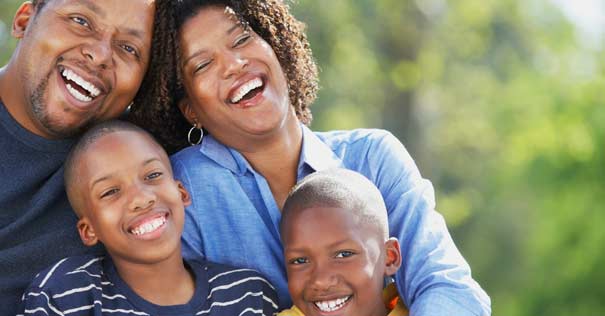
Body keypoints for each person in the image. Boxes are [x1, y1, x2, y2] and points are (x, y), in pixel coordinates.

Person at [130, 0, 491, 314]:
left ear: (276, 48)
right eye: (203, 65)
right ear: (190, 109)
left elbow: (448, 287)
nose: (234, 64)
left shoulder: (372, 158)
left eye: (241, 39)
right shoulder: (180, 191)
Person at [0, 0, 166, 313]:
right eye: (80, 20)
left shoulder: (144, 162)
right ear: (24, 21)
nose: (101, 55)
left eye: (129, 48)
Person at [20, 120, 279, 315]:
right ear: (89, 231)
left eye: (153, 175)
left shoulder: (248, 295)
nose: (141, 199)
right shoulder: (65, 295)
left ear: (182, 193)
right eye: (110, 191)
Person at [278, 168, 409, 316]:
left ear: (390, 257)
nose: (321, 281)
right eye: (300, 260)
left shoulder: (422, 308)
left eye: (343, 254)